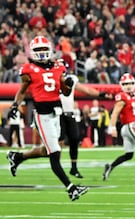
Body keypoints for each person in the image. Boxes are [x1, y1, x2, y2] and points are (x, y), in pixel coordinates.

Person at [6, 35, 88, 201]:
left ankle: (17, 157)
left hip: (56, 113)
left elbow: (64, 91)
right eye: (38, 50)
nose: (42, 53)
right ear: (33, 52)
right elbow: (22, 91)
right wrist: (15, 105)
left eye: (44, 49)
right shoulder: (28, 69)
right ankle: (71, 188)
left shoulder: (58, 67)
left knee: (46, 150)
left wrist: (68, 85)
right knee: (55, 153)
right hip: (42, 116)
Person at [59, 69, 110, 178]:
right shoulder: (51, 79)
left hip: (69, 113)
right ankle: (57, 167)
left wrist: (100, 94)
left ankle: (74, 167)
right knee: (59, 142)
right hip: (57, 114)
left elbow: (85, 89)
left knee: (75, 139)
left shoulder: (71, 79)